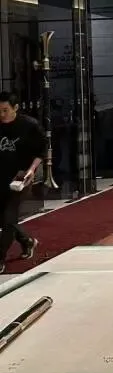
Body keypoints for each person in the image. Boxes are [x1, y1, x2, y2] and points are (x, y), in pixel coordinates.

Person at [0, 91, 45, 272]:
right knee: (4, 219)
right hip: (1, 177)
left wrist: (31, 169)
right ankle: (27, 241)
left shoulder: (29, 126)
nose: (2, 114)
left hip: (21, 177)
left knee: (9, 218)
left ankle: (0, 258)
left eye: (5, 110)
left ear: (16, 108)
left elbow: (41, 151)